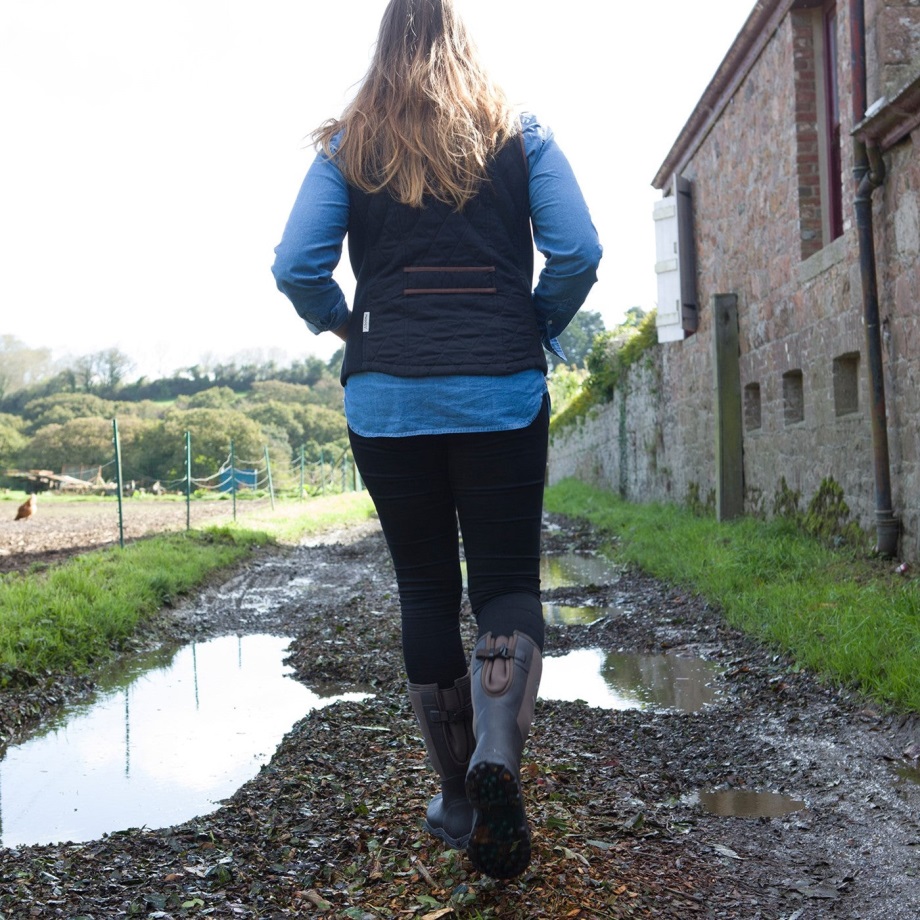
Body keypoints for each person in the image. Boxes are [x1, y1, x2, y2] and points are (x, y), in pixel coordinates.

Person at [272, 0, 601, 879]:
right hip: (501, 388)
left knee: (424, 587)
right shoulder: (519, 133)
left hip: (386, 398)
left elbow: (295, 263)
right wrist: (529, 323)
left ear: (385, 42)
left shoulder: (350, 143)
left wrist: (345, 326)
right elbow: (577, 252)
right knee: (504, 584)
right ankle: (500, 752)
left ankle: (458, 795)